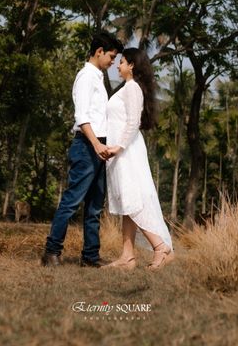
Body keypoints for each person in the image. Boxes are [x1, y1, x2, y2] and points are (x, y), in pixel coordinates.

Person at [41, 31, 124, 267]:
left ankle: (90, 256)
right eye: (111, 56)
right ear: (99, 52)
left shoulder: (98, 77)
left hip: (99, 148)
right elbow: (82, 115)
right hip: (87, 146)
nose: (113, 62)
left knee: (95, 206)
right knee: (71, 201)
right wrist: (97, 144)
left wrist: (104, 146)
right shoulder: (86, 77)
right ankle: (51, 251)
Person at [102, 48, 174, 270]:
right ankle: (127, 256)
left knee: (132, 200)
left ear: (132, 65)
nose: (117, 65)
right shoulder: (127, 88)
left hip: (126, 151)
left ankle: (160, 247)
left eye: (121, 62)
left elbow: (133, 122)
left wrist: (118, 148)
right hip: (122, 151)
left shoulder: (132, 88)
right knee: (127, 201)